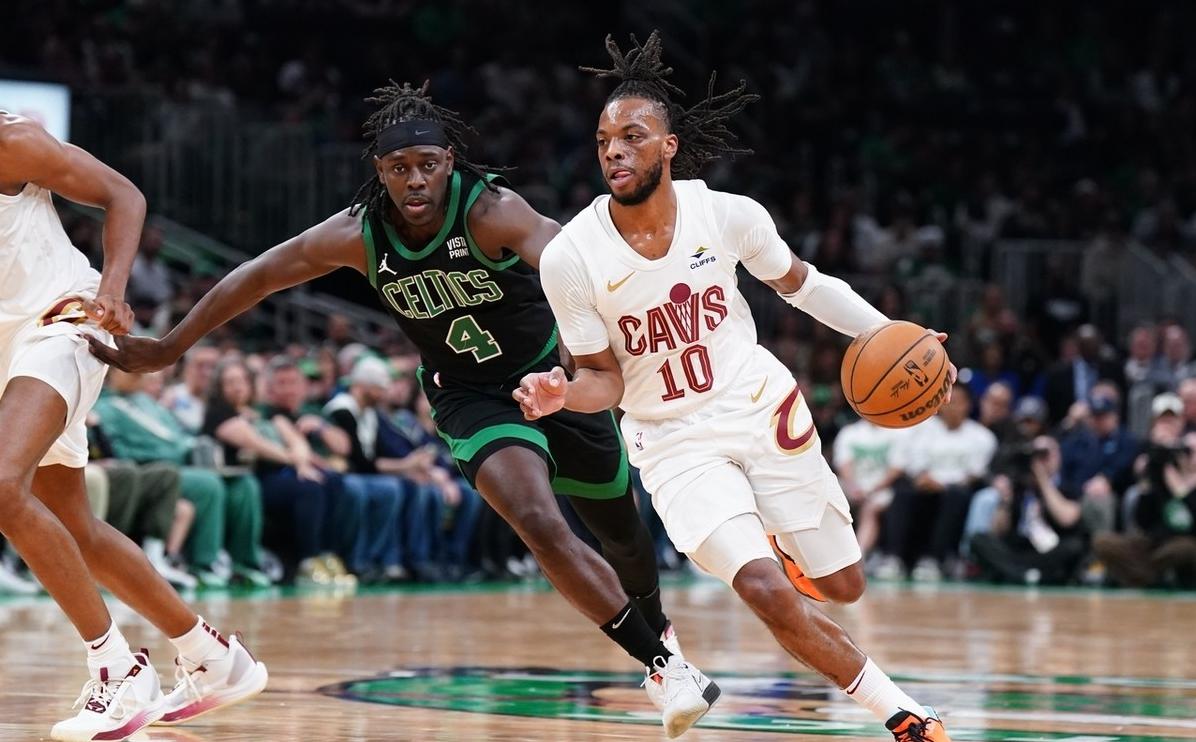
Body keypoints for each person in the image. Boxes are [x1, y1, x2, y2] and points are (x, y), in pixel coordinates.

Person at [87, 79, 713, 735]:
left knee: (623, 536)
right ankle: (662, 667)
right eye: (398, 168)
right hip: (470, 396)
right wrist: (170, 345)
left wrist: (634, 335)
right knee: (537, 518)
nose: (414, 181)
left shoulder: (493, 212)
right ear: (380, 171)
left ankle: (656, 626)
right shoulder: (360, 232)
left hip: (552, 377)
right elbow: (261, 274)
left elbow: (578, 263)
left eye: (427, 165)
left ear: (450, 163)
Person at [516, 32, 953, 741]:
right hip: (672, 441)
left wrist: (898, 336)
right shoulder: (570, 256)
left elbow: (803, 284)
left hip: (758, 404)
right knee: (761, 587)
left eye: (632, 137)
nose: (614, 151)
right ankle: (904, 716)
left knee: (843, 587)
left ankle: (782, 539)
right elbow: (603, 380)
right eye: (604, 141)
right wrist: (564, 395)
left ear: (669, 147)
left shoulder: (728, 215)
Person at [0, 111, 265, 740]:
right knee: (74, 528)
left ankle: (116, 669)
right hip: (8, 353)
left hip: (62, 322)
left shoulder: (12, 142)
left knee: (2, 485)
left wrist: (114, 288)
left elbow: (124, 194)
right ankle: (211, 656)